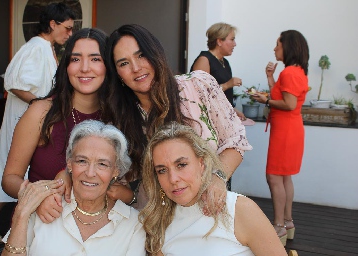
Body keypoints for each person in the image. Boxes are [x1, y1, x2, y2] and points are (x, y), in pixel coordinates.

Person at [103, 24, 252, 210]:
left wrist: (217, 178)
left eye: (141, 55)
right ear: (117, 74)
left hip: (208, 209)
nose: (136, 68)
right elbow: (117, 178)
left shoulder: (198, 86)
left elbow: (236, 141)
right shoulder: (120, 118)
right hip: (155, 220)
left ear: (155, 53)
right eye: (123, 63)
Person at [0, 2, 75, 241]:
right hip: (26, 121)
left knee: (17, 169)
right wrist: (41, 106)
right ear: (53, 24)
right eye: (68, 28)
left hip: (34, 119)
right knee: (14, 169)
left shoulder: (46, 47)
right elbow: (14, 83)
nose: (70, 34)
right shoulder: (36, 47)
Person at [1, 27, 108, 223]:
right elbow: (10, 179)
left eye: (95, 59)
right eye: (75, 59)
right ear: (66, 66)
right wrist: (38, 197)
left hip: (99, 227)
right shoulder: (41, 112)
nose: (85, 67)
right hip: (46, 225)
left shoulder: (119, 117)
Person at [140, 122, 287, 256]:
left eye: (181, 165)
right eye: (162, 170)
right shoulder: (159, 223)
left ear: (201, 163)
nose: (173, 179)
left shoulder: (238, 210)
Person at [1, 120, 145, 256]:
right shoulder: (42, 206)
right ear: (69, 164)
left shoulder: (132, 224)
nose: (90, 173)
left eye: (102, 164)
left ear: (116, 171)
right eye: (82, 161)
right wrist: (21, 214)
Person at [251, 30, 309, 246]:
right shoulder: (296, 71)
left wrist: (265, 101)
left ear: (289, 47)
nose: (274, 48)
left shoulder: (289, 73)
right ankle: (288, 222)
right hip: (290, 129)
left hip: (285, 130)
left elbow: (289, 104)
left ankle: (278, 227)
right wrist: (269, 79)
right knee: (284, 177)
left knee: (274, 177)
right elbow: (283, 97)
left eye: (278, 44)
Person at [190, 22, 247, 126]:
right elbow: (200, 94)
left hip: (223, 120)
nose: (235, 44)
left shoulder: (225, 62)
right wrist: (227, 85)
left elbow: (222, 96)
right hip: (208, 122)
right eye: (232, 39)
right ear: (219, 41)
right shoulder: (204, 60)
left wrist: (232, 109)